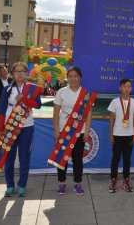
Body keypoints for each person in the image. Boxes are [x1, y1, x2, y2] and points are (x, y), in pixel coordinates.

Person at [0, 62, 42, 197]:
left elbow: (38, 105)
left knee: (24, 157)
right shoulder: (8, 89)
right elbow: (2, 109)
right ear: (13, 74)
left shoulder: (32, 88)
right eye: (17, 71)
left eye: (22, 71)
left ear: (26, 73)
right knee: (9, 157)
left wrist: (25, 99)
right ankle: (9, 186)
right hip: (9, 126)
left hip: (27, 126)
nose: (20, 74)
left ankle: (22, 185)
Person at [53, 67, 94, 195]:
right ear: (67, 78)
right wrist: (56, 130)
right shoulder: (61, 92)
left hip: (79, 131)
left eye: (75, 76)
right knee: (62, 158)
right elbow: (55, 113)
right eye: (70, 76)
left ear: (80, 78)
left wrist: (87, 131)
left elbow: (88, 114)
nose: (73, 79)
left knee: (77, 158)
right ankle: (61, 183)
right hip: (63, 129)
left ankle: (77, 183)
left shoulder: (85, 93)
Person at [108, 78, 134, 192]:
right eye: (124, 86)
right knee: (115, 159)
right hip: (117, 135)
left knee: (127, 159)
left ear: (131, 89)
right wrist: (111, 135)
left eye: (129, 87)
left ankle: (126, 179)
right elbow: (111, 119)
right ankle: (113, 180)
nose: (127, 88)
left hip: (130, 135)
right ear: (120, 88)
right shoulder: (115, 102)